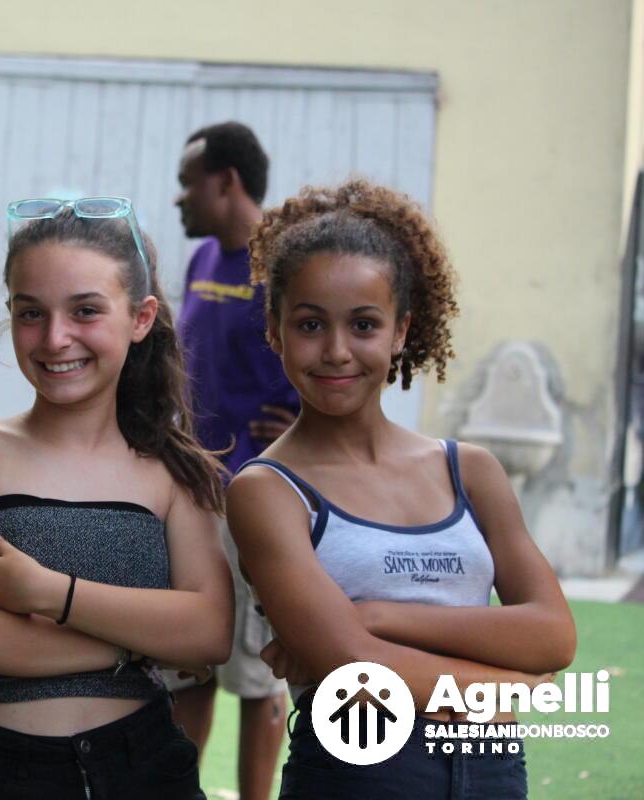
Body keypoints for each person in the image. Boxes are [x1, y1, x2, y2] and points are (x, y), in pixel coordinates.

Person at [228, 179, 576, 798]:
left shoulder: (471, 471)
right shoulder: (268, 491)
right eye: (310, 324)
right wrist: (516, 688)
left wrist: (375, 615)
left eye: (364, 324)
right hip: (358, 774)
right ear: (275, 330)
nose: (337, 351)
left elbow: (552, 634)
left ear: (400, 331)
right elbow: (355, 670)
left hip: (493, 777)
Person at [0, 198, 234, 799]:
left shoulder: (173, 468)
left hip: (146, 770)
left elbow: (210, 631)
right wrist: (134, 645)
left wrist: (52, 594)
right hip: (0, 776)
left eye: (85, 310)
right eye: (31, 313)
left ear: (140, 318)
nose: (55, 338)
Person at [172, 121, 296, 799]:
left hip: (253, 499)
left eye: (187, 183)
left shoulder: (282, 266)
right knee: (187, 663)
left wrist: (304, 424)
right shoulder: (201, 262)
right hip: (191, 495)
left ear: (226, 183)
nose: (179, 197)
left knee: (256, 674)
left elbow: (325, 358)